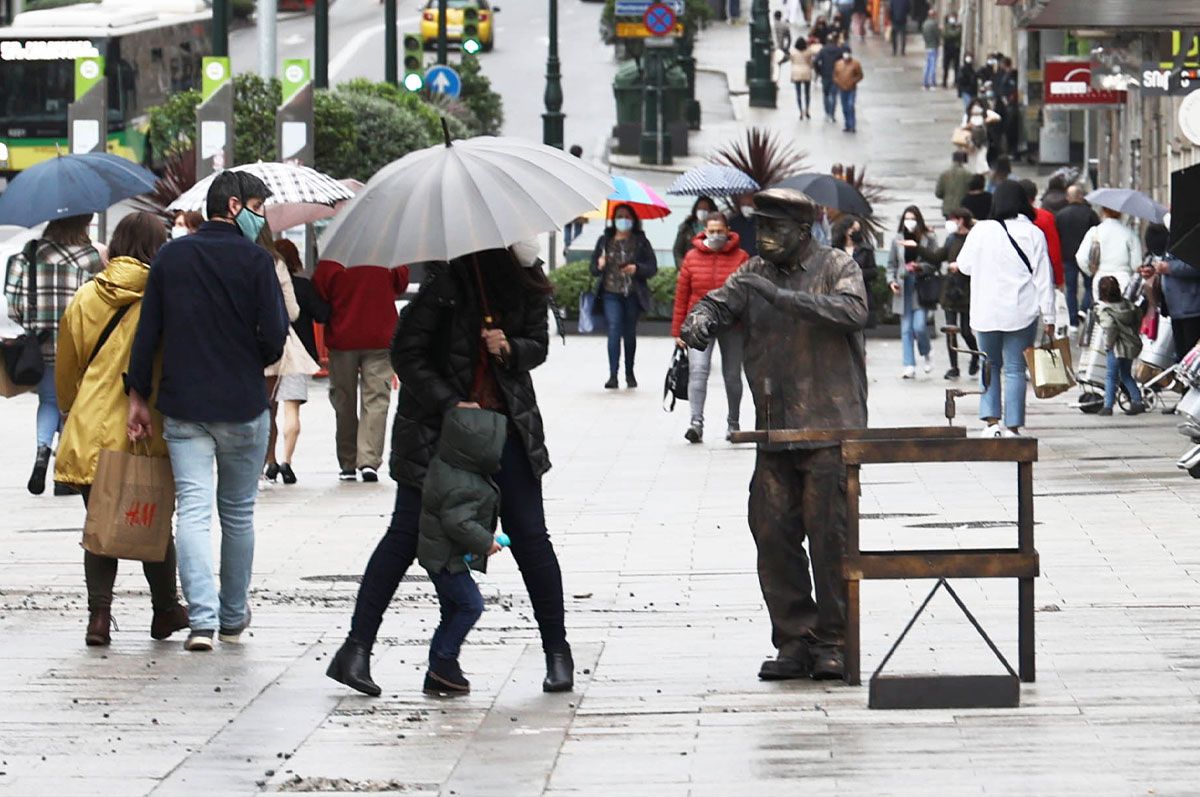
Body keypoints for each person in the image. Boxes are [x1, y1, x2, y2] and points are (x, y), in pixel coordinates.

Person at [325, 245, 574, 697]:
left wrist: (509, 347)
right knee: (405, 535)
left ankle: (557, 653)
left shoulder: (528, 281)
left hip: (507, 429)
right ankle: (356, 649)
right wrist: (449, 400)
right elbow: (406, 352)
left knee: (531, 536)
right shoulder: (447, 282)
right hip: (438, 433)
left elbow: (537, 346)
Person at [680, 187, 869, 682]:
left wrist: (784, 298)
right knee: (771, 532)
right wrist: (700, 319)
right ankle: (794, 639)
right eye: (759, 228)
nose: (763, 238)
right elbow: (719, 303)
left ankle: (834, 641)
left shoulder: (836, 266)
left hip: (830, 427)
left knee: (830, 538)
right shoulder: (753, 272)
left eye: (774, 229)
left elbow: (854, 312)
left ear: (803, 232)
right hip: (774, 427)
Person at [127, 171, 289, 652]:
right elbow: (276, 335)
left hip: (185, 407)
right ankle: (233, 616)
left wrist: (137, 394)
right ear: (235, 206)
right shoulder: (258, 261)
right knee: (237, 514)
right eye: (258, 207)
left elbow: (147, 332)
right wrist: (248, 361)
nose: (262, 218)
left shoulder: (172, 257)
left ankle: (202, 620)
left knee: (193, 512)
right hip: (242, 405)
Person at [54, 211, 189, 647]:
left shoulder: (86, 296)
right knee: (150, 521)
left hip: (90, 426)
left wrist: (73, 411)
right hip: (142, 427)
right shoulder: (162, 295)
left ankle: (99, 617)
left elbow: (68, 366)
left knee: (101, 525)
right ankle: (165, 610)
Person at [4, 213, 103, 496]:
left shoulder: (31, 254)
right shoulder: (90, 258)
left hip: (42, 344)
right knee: (70, 406)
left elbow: (13, 304)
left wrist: (32, 321)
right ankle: (64, 473)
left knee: (48, 401)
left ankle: (41, 454)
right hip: (78, 346)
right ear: (83, 224)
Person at [417, 407, 508, 695]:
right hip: (446, 559)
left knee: (451, 610)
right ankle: (444, 661)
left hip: (439, 554)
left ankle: (439, 671)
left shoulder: (449, 465)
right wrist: (486, 542)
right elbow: (458, 521)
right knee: (471, 606)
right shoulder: (463, 482)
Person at [956, 182, 1056, 438]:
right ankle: (1013, 426)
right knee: (1014, 369)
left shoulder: (981, 231)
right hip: (1021, 311)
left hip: (985, 310)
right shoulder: (1033, 233)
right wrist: (1050, 316)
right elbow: (1044, 277)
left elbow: (964, 266)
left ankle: (991, 424)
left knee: (989, 365)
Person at [313, 255, 410, 482]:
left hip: (343, 335)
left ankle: (347, 461)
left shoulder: (334, 258)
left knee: (344, 399)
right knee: (376, 399)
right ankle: (368, 460)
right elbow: (401, 283)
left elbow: (320, 290)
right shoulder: (387, 254)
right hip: (380, 335)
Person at [671, 211, 749, 444]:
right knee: (698, 372)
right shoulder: (692, 257)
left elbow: (748, 294)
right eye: (711, 231)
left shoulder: (741, 257)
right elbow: (682, 295)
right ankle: (696, 423)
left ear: (728, 232)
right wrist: (678, 331)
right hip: (699, 323)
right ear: (704, 231)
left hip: (731, 324)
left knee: (733, 376)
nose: (715, 235)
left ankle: (733, 423)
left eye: (719, 231)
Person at [263, 238, 325, 485]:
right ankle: (287, 461)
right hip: (297, 355)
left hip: (270, 351)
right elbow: (319, 313)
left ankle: (270, 461)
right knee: (291, 410)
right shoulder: (303, 286)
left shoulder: (263, 278)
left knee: (267, 410)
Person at [589, 204, 657, 389]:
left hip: (632, 294)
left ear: (633, 220)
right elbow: (593, 270)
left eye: (627, 216)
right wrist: (599, 264)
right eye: (619, 216)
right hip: (611, 293)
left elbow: (652, 267)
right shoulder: (604, 241)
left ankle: (629, 373)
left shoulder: (641, 241)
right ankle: (613, 375)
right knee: (614, 330)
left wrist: (637, 269)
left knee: (629, 334)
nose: (623, 219)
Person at [921, 208, 978, 378]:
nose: (950, 223)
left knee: (967, 331)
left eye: (953, 219)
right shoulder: (951, 239)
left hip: (967, 290)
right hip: (950, 289)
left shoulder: (973, 239)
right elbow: (936, 257)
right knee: (950, 329)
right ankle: (954, 367)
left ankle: (976, 355)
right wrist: (917, 247)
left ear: (961, 220)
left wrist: (960, 266)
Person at [887, 206, 939, 378]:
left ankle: (926, 352)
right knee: (906, 329)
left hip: (920, 286)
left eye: (913, 218)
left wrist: (920, 267)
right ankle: (909, 365)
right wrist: (892, 281)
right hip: (903, 287)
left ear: (919, 220)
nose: (910, 221)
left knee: (919, 326)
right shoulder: (897, 239)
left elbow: (934, 263)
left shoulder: (928, 239)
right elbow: (891, 265)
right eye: (907, 218)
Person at [1094, 275, 1145, 417]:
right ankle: (1137, 401)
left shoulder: (1105, 309)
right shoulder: (1127, 305)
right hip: (1130, 345)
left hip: (1116, 346)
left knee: (1111, 375)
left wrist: (1109, 344)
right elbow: (1138, 316)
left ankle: (1108, 405)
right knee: (1126, 374)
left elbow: (1110, 327)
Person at [1055, 185, 1101, 322]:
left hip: (1067, 256)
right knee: (1089, 286)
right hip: (1086, 257)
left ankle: (1073, 320)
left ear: (1068, 198)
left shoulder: (1061, 215)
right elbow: (1097, 235)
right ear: (1081, 196)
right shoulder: (1090, 214)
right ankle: (1083, 309)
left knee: (1071, 289)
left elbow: (1057, 236)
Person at [1075, 206, 1142, 296]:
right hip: (1123, 278)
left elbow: (1081, 258)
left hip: (1101, 278)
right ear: (1120, 213)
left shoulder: (1094, 231)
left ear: (1103, 212)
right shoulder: (1129, 233)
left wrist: (1091, 272)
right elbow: (1136, 264)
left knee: (1102, 308)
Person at [831, 214, 878, 326]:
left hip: (860, 291)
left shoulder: (866, 249)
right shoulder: (836, 249)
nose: (855, 232)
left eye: (858, 230)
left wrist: (858, 273)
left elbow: (873, 271)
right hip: (840, 292)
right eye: (853, 229)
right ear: (846, 230)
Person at [1019, 179, 1064, 288]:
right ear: (1034, 198)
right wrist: (1059, 280)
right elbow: (1054, 252)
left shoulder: (1007, 219)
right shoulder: (1045, 218)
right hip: (1041, 275)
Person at [673, 196, 718, 267]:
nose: (702, 211)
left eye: (705, 209)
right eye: (699, 208)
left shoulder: (717, 227)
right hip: (689, 267)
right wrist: (682, 266)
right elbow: (677, 250)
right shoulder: (686, 226)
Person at [814, 33, 847, 124]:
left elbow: (816, 61)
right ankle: (832, 114)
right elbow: (844, 62)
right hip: (836, 75)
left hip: (825, 75)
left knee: (825, 95)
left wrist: (819, 71)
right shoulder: (839, 50)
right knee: (834, 95)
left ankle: (827, 112)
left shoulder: (823, 50)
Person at [790, 36, 822, 120]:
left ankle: (800, 111)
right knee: (807, 93)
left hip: (796, 72)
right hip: (806, 72)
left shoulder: (793, 52)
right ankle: (807, 110)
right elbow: (813, 57)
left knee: (798, 93)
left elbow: (792, 61)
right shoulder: (808, 51)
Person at [563, 145, 587, 252]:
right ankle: (575, 246)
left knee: (567, 225)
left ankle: (567, 246)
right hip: (579, 201)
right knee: (578, 226)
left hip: (567, 200)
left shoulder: (566, 166)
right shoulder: (583, 168)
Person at [833, 48, 864, 134]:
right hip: (842, 88)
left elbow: (860, 75)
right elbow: (835, 75)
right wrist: (838, 82)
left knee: (850, 106)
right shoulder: (838, 64)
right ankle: (847, 125)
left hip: (851, 89)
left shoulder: (855, 64)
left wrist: (853, 81)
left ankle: (852, 125)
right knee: (844, 108)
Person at [936, 151, 973, 218]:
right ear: (963, 161)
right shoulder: (968, 174)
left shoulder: (944, 174)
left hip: (948, 209)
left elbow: (938, 193)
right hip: (962, 209)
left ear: (953, 160)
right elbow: (971, 192)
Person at [728, 193, 760, 258]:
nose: (746, 208)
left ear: (755, 205)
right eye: (743, 205)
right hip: (740, 259)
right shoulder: (733, 222)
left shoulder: (761, 220)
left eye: (749, 204)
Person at [921, 10, 941, 90]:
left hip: (927, 47)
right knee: (933, 65)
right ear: (933, 15)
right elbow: (937, 35)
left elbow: (923, 35)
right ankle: (932, 83)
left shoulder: (925, 24)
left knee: (927, 66)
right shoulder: (934, 24)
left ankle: (925, 83)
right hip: (933, 46)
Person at [942, 11, 962, 89]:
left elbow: (957, 35)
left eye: (954, 17)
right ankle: (944, 82)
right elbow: (948, 35)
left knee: (956, 66)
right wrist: (957, 31)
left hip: (956, 48)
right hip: (947, 48)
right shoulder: (947, 27)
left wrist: (957, 31)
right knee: (946, 66)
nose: (952, 19)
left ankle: (956, 82)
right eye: (951, 17)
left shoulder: (957, 26)